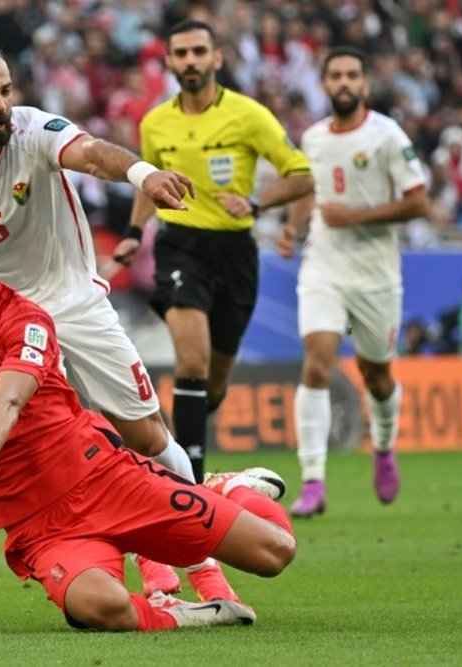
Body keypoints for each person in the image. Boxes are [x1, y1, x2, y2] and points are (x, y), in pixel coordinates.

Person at [0, 37, 233, 600]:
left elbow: (92, 152)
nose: (0, 104)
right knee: (72, 458)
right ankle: (162, 568)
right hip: (0, 323)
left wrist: (143, 175)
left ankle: (203, 546)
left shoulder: (31, 130)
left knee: (144, 434)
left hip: (73, 301)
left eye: (5, 90)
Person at [0, 201, 297, 631]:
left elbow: (7, 400)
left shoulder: (23, 315)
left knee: (275, 551)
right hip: (37, 524)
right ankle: (187, 617)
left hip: (106, 479)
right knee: (102, 608)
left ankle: (219, 487)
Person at [114, 19, 313, 483]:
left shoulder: (248, 115)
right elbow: (149, 182)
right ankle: (191, 484)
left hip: (235, 250)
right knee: (193, 360)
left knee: (215, 378)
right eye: (180, 53)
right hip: (180, 245)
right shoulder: (155, 122)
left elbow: (301, 172)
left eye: (198, 52)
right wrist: (132, 231)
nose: (190, 61)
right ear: (168, 62)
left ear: (216, 58)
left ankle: (179, 447)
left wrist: (259, 203)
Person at [274, 47, 430, 517]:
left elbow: (418, 202)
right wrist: (291, 226)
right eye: (336, 75)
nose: (344, 82)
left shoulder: (386, 136)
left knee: (377, 376)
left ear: (364, 85)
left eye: (352, 75)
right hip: (323, 265)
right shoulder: (314, 138)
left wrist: (355, 215)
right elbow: (308, 189)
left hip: (375, 274)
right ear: (324, 85)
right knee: (317, 364)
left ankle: (383, 447)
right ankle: (313, 481)